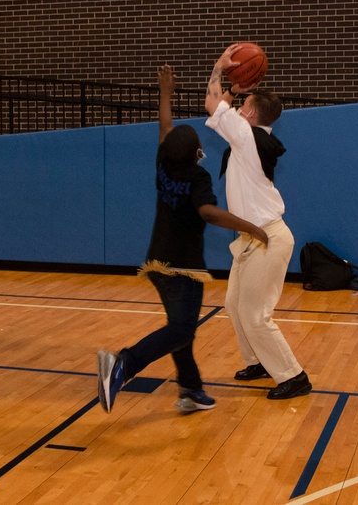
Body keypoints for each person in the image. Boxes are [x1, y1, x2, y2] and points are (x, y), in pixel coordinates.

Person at [97, 66, 269, 414]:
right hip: (183, 267)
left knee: (180, 326)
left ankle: (191, 389)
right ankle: (123, 364)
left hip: (156, 262)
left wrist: (165, 93)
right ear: (195, 152)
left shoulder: (163, 162)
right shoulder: (197, 176)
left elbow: (165, 129)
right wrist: (250, 226)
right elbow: (208, 212)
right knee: (181, 329)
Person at [204, 44, 312, 400]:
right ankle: (259, 362)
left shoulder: (246, 137)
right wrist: (236, 90)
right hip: (254, 238)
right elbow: (222, 108)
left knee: (255, 315)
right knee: (235, 306)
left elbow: (212, 104)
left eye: (242, 105)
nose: (237, 108)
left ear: (249, 114)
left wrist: (220, 68)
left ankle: (294, 376)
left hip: (267, 238)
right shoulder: (252, 137)